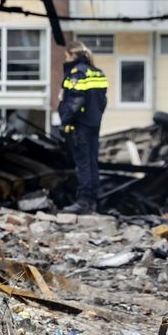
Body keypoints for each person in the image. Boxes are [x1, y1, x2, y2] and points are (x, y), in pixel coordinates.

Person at [58, 40, 108, 215]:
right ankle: (93, 201)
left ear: (73, 55)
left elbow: (74, 101)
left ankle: (83, 202)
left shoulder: (76, 74)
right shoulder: (97, 73)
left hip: (79, 126)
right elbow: (103, 101)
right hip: (94, 124)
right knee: (92, 162)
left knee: (83, 163)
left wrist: (65, 122)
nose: (65, 59)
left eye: (66, 56)